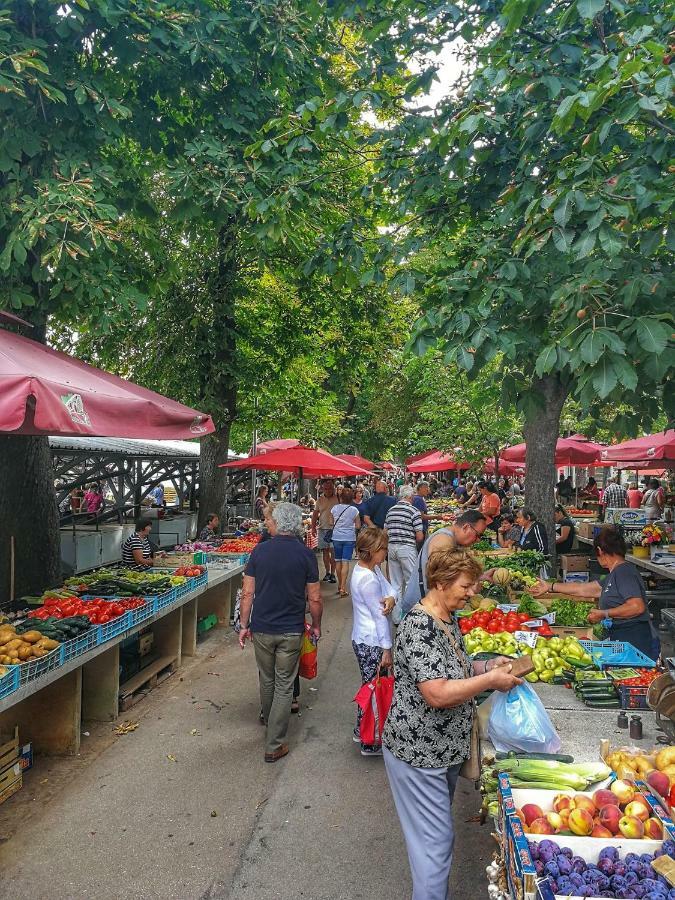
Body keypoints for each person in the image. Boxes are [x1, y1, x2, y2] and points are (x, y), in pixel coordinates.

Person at [383, 549, 522, 900]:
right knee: (435, 844)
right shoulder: (419, 625)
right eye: (466, 585)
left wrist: (487, 667)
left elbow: (454, 671)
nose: (472, 592)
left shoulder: (446, 616)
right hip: (419, 754)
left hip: (440, 752)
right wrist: (490, 682)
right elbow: (438, 693)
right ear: (441, 583)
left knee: (432, 840)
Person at [239, 503, 323, 762]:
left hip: (262, 627)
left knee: (267, 678)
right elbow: (315, 598)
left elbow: (248, 593)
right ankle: (274, 743)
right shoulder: (305, 554)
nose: (268, 524)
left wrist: (243, 625)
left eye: (270, 521)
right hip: (291, 629)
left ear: (276, 522)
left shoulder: (260, 551)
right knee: (285, 683)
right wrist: (317, 624)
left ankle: (269, 720)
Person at [533, 525, 656, 659]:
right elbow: (582, 589)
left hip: (635, 641)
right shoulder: (613, 575)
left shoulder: (624, 572)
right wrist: (550, 586)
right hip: (622, 638)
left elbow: (636, 606)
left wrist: (604, 613)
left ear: (600, 551)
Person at [350, 527, 396, 756]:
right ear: (372, 551)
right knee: (374, 688)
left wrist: (391, 598)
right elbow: (379, 617)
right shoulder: (368, 579)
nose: (385, 553)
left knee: (369, 685)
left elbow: (389, 589)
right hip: (372, 640)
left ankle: (363, 730)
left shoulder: (370, 570)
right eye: (382, 549)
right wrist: (386, 648)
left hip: (365, 637)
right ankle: (371, 740)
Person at [400, 509, 489, 618]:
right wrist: (471, 588)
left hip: (428, 610)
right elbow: (444, 580)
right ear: (466, 527)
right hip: (420, 614)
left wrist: (479, 577)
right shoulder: (443, 541)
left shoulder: (449, 538)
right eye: (478, 535)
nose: (478, 540)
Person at [384, 486, 424, 602]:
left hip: (392, 548)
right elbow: (420, 536)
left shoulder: (391, 510)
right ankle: (408, 614)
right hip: (407, 548)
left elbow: (384, 532)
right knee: (410, 583)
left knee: (395, 583)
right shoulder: (414, 511)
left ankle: (396, 617)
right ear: (410, 497)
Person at [329, 487, 361, 596]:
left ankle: (339, 585)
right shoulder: (354, 510)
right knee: (345, 561)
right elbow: (358, 525)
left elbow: (330, 522)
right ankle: (343, 587)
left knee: (338, 561)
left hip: (336, 537)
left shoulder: (334, 508)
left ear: (341, 497)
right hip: (349, 538)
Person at [311, 479, 337, 583]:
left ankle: (333, 573)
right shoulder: (320, 500)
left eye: (330, 488)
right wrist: (313, 527)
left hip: (334, 530)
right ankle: (327, 572)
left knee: (333, 552)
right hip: (322, 528)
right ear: (323, 489)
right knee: (325, 552)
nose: (328, 490)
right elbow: (315, 514)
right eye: (326, 488)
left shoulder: (338, 499)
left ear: (333, 488)